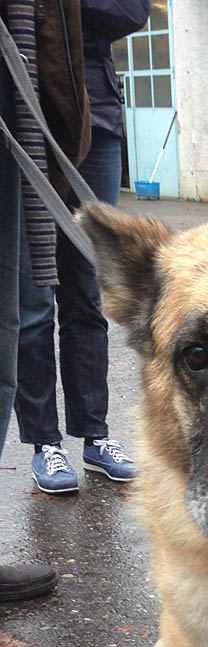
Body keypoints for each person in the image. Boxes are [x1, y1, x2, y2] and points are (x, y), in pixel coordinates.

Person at [14, 0, 149, 494]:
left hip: (97, 123)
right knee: (33, 299)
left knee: (88, 295)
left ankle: (96, 434)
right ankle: (44, 443)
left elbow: (133, 12)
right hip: (26, 120)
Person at [0, 0, 90, 600]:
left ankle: (91, 436)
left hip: (24, 119)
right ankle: (47, 443)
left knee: (9, 328)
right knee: (24, 317)